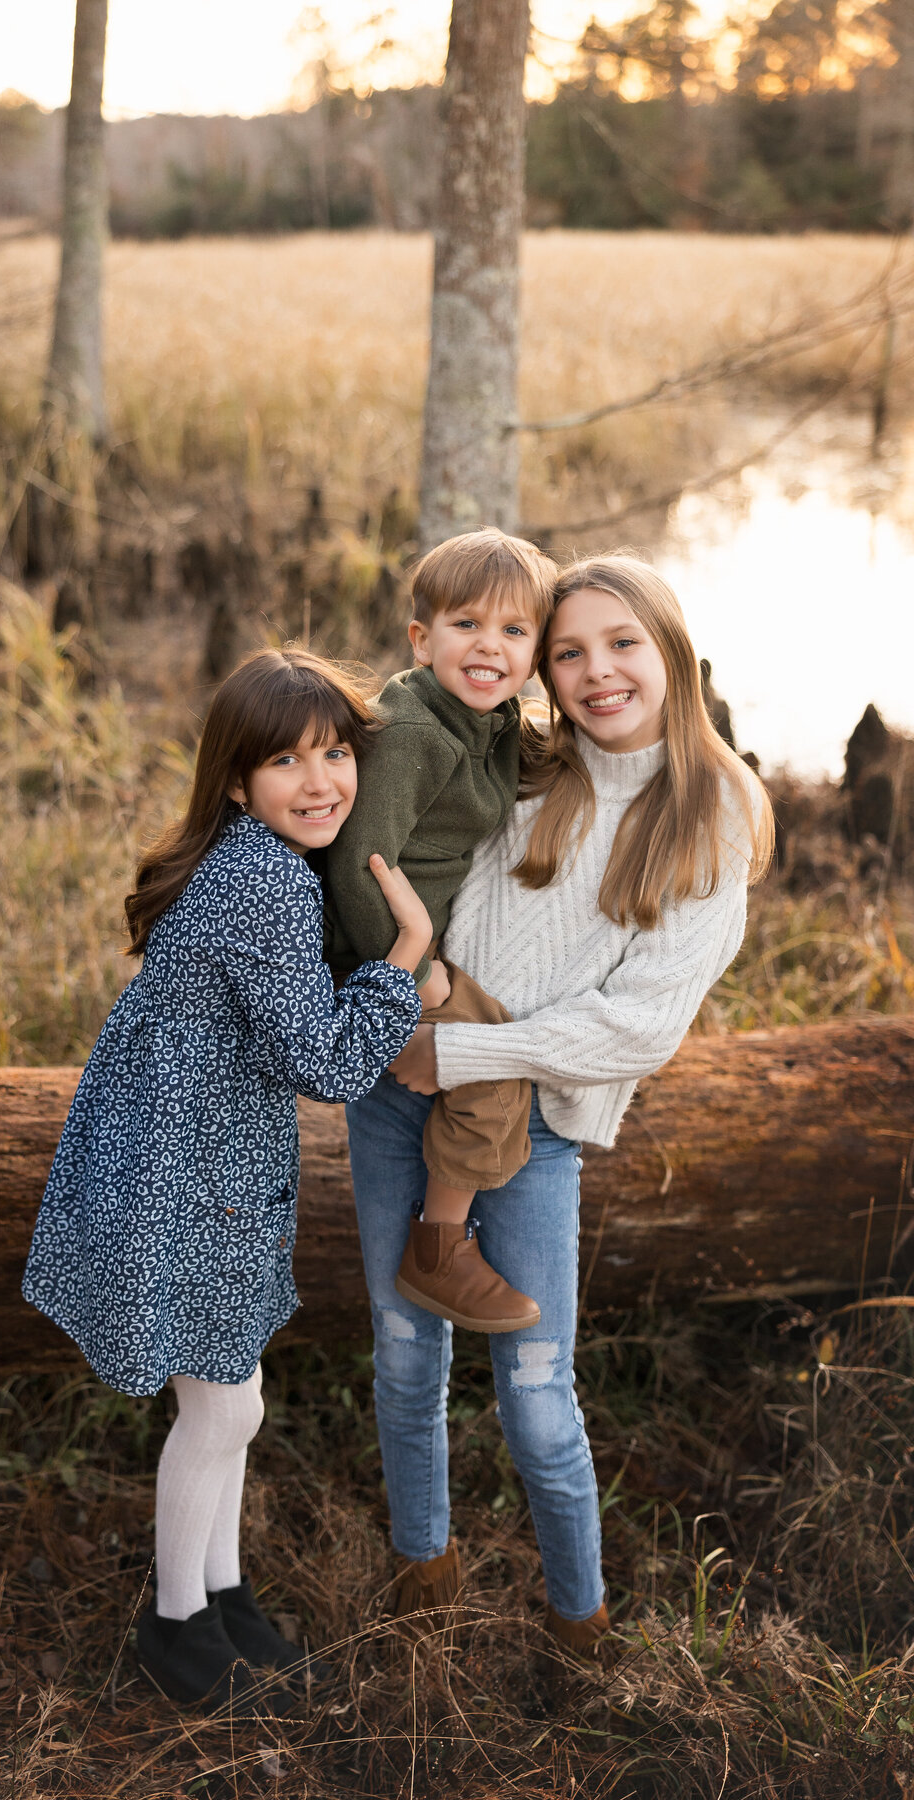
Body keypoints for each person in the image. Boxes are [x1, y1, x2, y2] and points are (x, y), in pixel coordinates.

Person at [343, 554, 774, 1644]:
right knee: (405, 1355)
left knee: (536, 1395)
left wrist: (465, 1055)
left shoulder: (712, 812)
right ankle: (422, 1575)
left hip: (532, 1122)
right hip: (403, 1085)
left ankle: (581, 1624)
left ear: (672, 650)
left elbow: (640, 1026)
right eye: (570, 652)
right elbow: (393, 836)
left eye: (622, 644)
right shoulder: (523, 759)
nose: (596, 672)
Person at [22, 648, 432, 1712]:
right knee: (223, 1406)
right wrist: (405, 958)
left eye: (335, 754)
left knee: (228, 1394)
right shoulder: (263, 881)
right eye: (287, 761)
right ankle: (177, 1627)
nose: (321, 781)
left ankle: (224, 1596)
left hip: (191, 1160)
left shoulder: (250, 859)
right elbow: (327, 1065)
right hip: (185, 1176)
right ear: (239, 782)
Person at [321, 528, 557, 1334]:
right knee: (493, 1072)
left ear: (536, 655)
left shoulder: (490, 722)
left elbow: (531, 761)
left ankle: (447, 1231)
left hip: (414, 949)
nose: (489, 645)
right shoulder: (414, 733)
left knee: (491, 1057)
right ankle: (438, 1248)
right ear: (422, 640)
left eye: (514, 630)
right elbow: (359, 864)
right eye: (466, 624)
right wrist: (409, 976)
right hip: (375, 956)